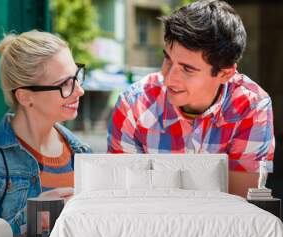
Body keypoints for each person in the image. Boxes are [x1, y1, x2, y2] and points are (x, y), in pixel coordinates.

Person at [107, 0, 274, 197]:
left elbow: (239, 203)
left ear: (225, 74)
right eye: (168, 59)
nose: (168, 78)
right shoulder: (133, 103)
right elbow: (125, 199)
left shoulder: (252, 106)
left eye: (187, 69)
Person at [0, 30, 92, 235]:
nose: (80, 90)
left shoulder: (82, 154)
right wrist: (33, 218)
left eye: (77, 76)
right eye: (65, 84)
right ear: (25, 97)